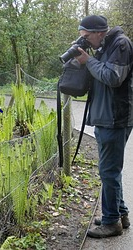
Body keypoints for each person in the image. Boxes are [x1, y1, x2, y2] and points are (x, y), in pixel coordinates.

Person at [75, 15, 133, 238]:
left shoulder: (121, 44)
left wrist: (88, 61)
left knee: (108, 171)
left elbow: (112, 77)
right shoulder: (104, 46)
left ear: (99, 32)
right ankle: (120, 214)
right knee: (110, 171)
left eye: (87, 37)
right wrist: (85, 60)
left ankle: (111, 223)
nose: (86, 41)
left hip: (115, 118)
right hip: (105, 117)